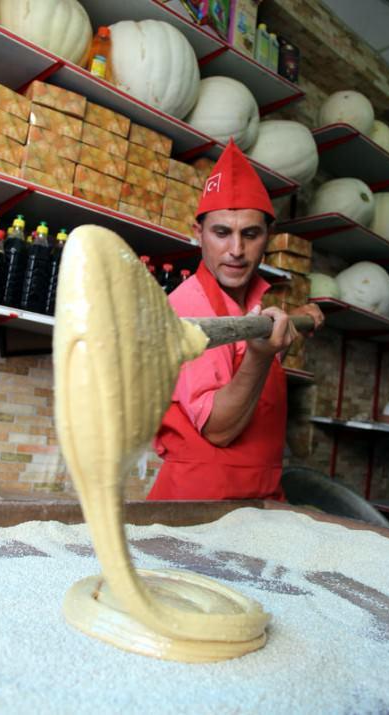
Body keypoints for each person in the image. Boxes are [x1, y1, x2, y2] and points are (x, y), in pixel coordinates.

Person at [147, 139, 324, 501]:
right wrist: (262, 356)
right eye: (222, 232)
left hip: (258, 498)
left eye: (250, 234)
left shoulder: (253, 306)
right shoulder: (188, 309)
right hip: (201, 505)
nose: (237, 251)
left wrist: (292, 326)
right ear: (199, 235)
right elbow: (218, 431)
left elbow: (254, 389)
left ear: (267, 239)